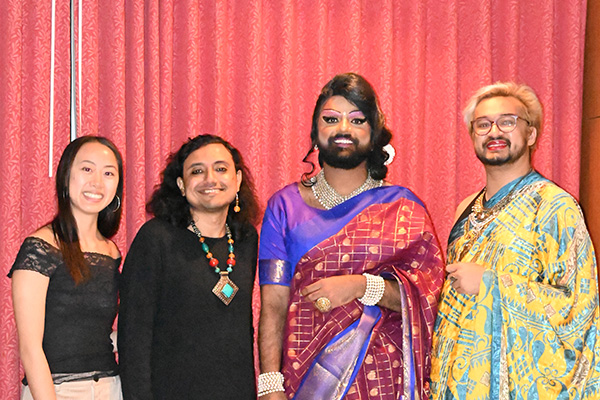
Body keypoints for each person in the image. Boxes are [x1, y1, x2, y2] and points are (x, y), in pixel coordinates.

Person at [257, 73, 445, 400]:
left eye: (357, 120)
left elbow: (429, 296)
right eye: (331, 119)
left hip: (387, 380)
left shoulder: (404, 207)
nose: (343, 128)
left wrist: (361, 286)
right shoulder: (284, 207)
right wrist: (269, 385)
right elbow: (273, 303)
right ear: (316, 133)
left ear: (373, 136)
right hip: (306, 377)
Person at [429, 82, 600, 399]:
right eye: (483, 125)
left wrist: (490, 283)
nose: (494, 132)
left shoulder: (554, 206)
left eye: (507, 122)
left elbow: (578, 307)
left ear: (531, 134)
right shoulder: (464, 209)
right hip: (459, 377)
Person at [118, 134, 259, 399]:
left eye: (221, 169)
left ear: (237, 180)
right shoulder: (156, 238)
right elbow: (133, 337)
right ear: (182, 185)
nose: (210, 179)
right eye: (197, 171)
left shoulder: (246, 239)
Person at [10, 136, 124, 399]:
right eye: (87, 169)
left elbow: (99, 333)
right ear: (66, 176)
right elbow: (30, 349)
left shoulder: (111, 251)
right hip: (56, 390)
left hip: (111, 388)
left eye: (108, 173)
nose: (97, 182)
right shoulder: (41, 246)